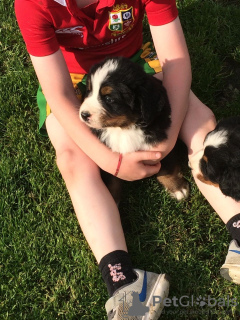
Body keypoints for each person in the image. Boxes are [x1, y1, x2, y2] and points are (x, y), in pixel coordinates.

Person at [14, 0, 240, 318]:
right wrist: (111, 161)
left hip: (137, 65)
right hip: (75, 80)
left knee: (199, 120)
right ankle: (124, 284)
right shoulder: (33, 5)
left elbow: (175, 63)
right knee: (70, 158)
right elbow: (60, 94)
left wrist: (169, 133)